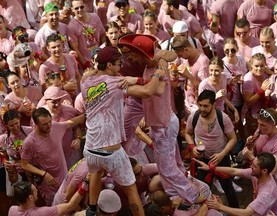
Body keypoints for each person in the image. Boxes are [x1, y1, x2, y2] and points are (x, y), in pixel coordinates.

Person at [119, 34, 210, 207]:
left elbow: (157, 90)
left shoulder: (158, 69)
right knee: (171, 164)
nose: (131, 57)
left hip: (164, 126)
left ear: (145, 54)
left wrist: (135, 81)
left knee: (166, 169)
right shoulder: (153, 64)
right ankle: (184, 186)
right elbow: (167, 56)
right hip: (163, 123)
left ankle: (193, 195)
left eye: (134, 53)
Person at [82, 46, 167, 216]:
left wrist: (132, 79)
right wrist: (158, 74)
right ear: (109, 65)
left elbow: (97, 76)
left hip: (90, 148)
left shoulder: (85, 80)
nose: (121, 67)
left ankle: (91, 210)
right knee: (131, 190)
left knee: (95, 173)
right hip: (111, 151)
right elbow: (148, 91)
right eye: (118, 64)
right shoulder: (114, 83)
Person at [185, 89, 239, 208]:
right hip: (201, 159)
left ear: (213, 105)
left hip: (220, 160)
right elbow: (188, 133)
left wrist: (222, 154)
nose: (202, 109)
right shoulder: (193, 116)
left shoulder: (223, 118)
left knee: (228, 188)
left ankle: (235, 212)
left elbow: (233, 138)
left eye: (206, 106)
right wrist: (192, 147)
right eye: (200, 105)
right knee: (203, 189)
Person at [21, 107, 85, 205]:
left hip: (64, 182)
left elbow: (69, 123)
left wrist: (87, 114)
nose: (49, 126)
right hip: (49, 188)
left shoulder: (54, 126)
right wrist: (44, 174)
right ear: (36, 124)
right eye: (44, 124)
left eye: (50, 121)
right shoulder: (30, 142)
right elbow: (24, 164)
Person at [194, 152, 277, 215]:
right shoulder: (258, 174)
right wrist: (211, 169)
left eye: (254, 166)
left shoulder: (266, 194)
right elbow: (234, 171)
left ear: (264, 170)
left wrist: (219, 206)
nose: (251, 167)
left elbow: (246, 213)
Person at [241, 108, 277, 212]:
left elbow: (272, 171)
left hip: (275, 181)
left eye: (263, 125)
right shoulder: (260, 131)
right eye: (259, 124)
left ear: (273, 124)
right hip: (260, 175)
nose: (259, 127)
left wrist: (251, 158)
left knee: (272, 210)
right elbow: (252, 150)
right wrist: (249, 145)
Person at [8, 180, 89, 216]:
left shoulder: (12, 210)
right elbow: (71, 205)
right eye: (35, 190)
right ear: (31, 197)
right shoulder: (42, 213)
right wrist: (86, 183)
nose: (37, 190)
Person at [39, 33, 80, 98]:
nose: (57, 49)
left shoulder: (70, 57)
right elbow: (45, 91)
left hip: (76, 97)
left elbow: (78, 77)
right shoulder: (44, 68)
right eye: (53, 47)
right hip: (59, 102)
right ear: (48, 48)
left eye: (59, 46)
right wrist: (63, 88)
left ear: (62, 45)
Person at [67, 0, 105, 70]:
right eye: (76, 8)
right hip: (87, 62)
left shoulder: (95, 17)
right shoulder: (71, 27)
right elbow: (76, 49)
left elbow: (103, 34)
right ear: (72, 9)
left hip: (100, 58)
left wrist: (103, 52)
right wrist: (85, 64)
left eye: (81, 7)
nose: (79, 10)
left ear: (85, 6)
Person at [242, 53, 270, 137]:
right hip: (252, 115)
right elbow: (249, 102)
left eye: (262, 66)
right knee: (253, 139)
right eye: (256, 66)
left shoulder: (264, 75)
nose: (259, 68)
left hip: (262, 112)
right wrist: (262, 90)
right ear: (251, 65)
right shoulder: (249, 79)